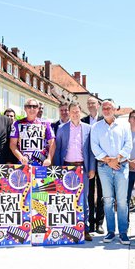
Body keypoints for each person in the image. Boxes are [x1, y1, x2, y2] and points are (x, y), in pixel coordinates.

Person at [90, 99, 132, 245]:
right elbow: (94, 146)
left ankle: (123, 232)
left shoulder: (124, 125)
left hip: (122, 167)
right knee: (107, 200)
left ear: (114, 109)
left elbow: (128, 145)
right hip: (104, 167)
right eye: (104, 108)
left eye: (109, 108)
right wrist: (109, 160)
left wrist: (118, 159)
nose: (107, 110)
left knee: (122, 201)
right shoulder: (96, 127)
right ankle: (110, 232)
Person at [53, 102, 95, 241]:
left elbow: (90, 150)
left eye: (77, 112)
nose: (75, 114)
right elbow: (58, 150)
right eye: (73, 112)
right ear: (69, 113)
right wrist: (58, 169)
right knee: (67, 199)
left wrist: (92, 168)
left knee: (84, 200)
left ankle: (85, 229)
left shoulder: (88, 128)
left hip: (82, 168)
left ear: (80, 112)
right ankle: (68, 228)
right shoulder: (61, 128)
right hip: (67, 168)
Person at [82, 96, 104, 234]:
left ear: (98, 105)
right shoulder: (83, 121)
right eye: (88, 103)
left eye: (93, 103)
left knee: (102, 193)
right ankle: (90, 221)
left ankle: (100, 223)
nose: (90, 105)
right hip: (88, 161)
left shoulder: (103, 120)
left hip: (102, 161)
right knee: (89, 193)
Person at [9, 98, 55, 166]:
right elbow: (12, 144)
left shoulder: (45, 123)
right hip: (23, 164)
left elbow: (52, 143)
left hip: (41, 164)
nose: (32, 109)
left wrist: (49, 159)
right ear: (25, 108)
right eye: (29, 106)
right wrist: (20, 157)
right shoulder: (17, 124)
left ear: (38, 109)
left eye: (34, 106)